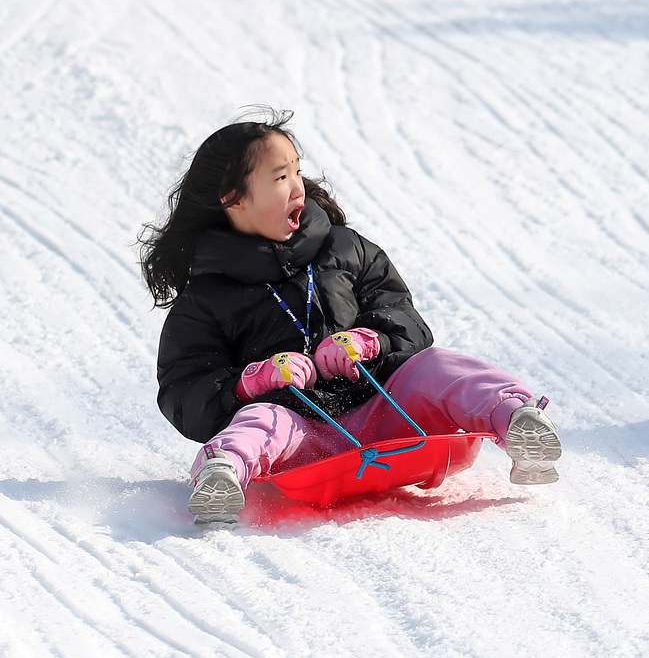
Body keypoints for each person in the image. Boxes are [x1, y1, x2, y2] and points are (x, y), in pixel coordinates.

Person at [140, 110, 562, 525]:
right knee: (262, 420)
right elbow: (184, 389)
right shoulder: (206, 298)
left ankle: (517, 421)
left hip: (386, 407)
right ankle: (222, 475)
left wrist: (369, 340)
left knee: (434, 366)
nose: (297, 187)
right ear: (233, 198)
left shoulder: (346, 249)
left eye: (297, 171)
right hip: (304, 434)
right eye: (279, 177)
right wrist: (251, 381)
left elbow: (403, 317)